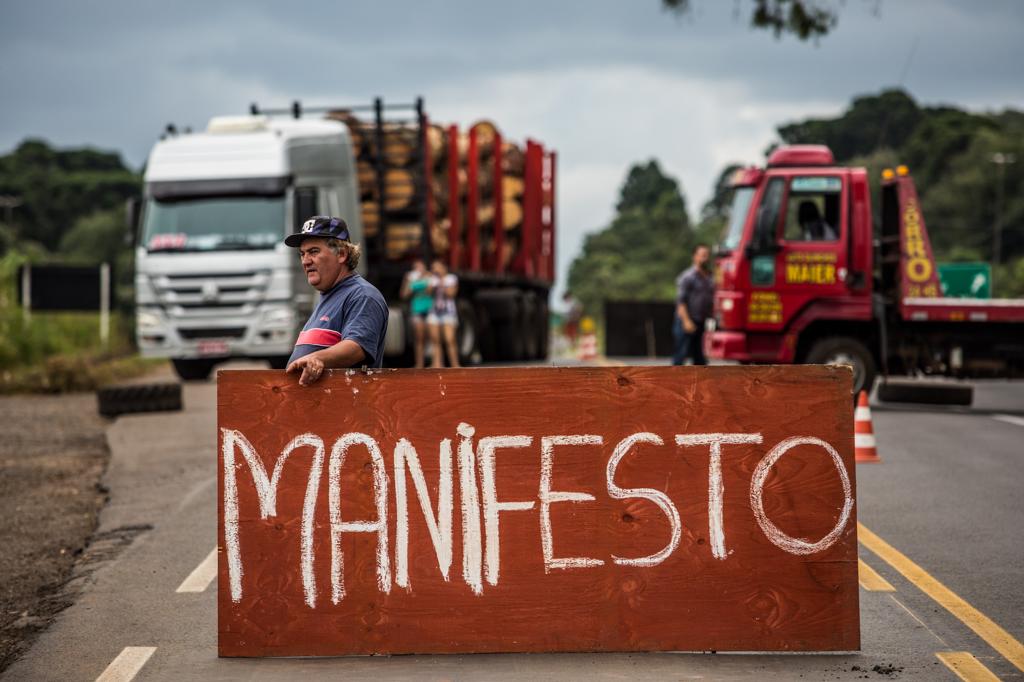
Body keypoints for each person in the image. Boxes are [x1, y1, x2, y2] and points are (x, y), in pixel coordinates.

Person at [284, 216, 388, 385]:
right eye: (302, 254)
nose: (306, 261)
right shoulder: (328, 295)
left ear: (341, 254)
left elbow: (356, 347)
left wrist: (317, 358)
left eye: (314, 252)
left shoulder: (362, 295)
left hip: (346, 401)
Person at [673, 243, 714, 366]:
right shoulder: (687, 277)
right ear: (695, 257)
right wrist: (686, 321)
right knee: (681, 355)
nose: (705, 258)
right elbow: (681, 301)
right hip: (686, 320)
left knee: (700, 358)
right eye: (702, 255)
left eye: (707, 255)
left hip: (701, 321)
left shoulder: (710, 277)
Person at [427, 258, 460, 368]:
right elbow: (428, 292)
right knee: (435, 340)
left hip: (448, 312)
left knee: (449, 339)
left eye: (437, 267)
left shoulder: (451, 278)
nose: (435, 270)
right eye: (433, 268)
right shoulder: (432, 279)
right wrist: (430, 283)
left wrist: (440, 281)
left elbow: (451, 293)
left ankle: (455, 364)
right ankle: (437, 364)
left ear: (443, 268)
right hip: (434, 311)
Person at [401, 259, 433, 368]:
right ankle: (420, 363)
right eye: (415, 267)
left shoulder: (429, 277)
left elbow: (430, 291)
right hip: (417, 310)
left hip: (429, 310)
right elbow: (404, 295)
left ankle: (434, 362)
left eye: (420, 266)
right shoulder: (411, 280)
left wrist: (424, 279)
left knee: (432, 337)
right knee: (419, 337)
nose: (418, 269)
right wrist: (409, 282)